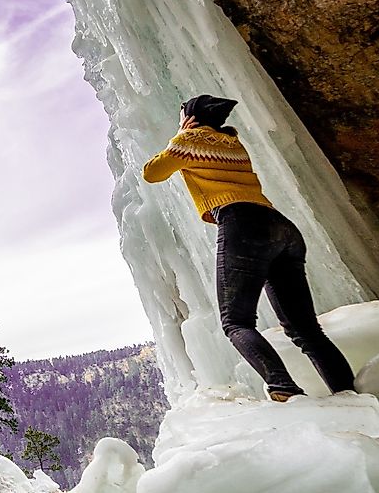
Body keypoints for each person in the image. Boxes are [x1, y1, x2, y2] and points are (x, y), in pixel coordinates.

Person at [141, 94, 355, 401]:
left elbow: (152, 173)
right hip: (281, 227)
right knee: (307, 331)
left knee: (236, 322)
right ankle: (351, 396)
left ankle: (283, 386)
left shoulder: (187, 141)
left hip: (241, 223)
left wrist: (180, 134)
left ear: (189, 117)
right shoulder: (233, 144)